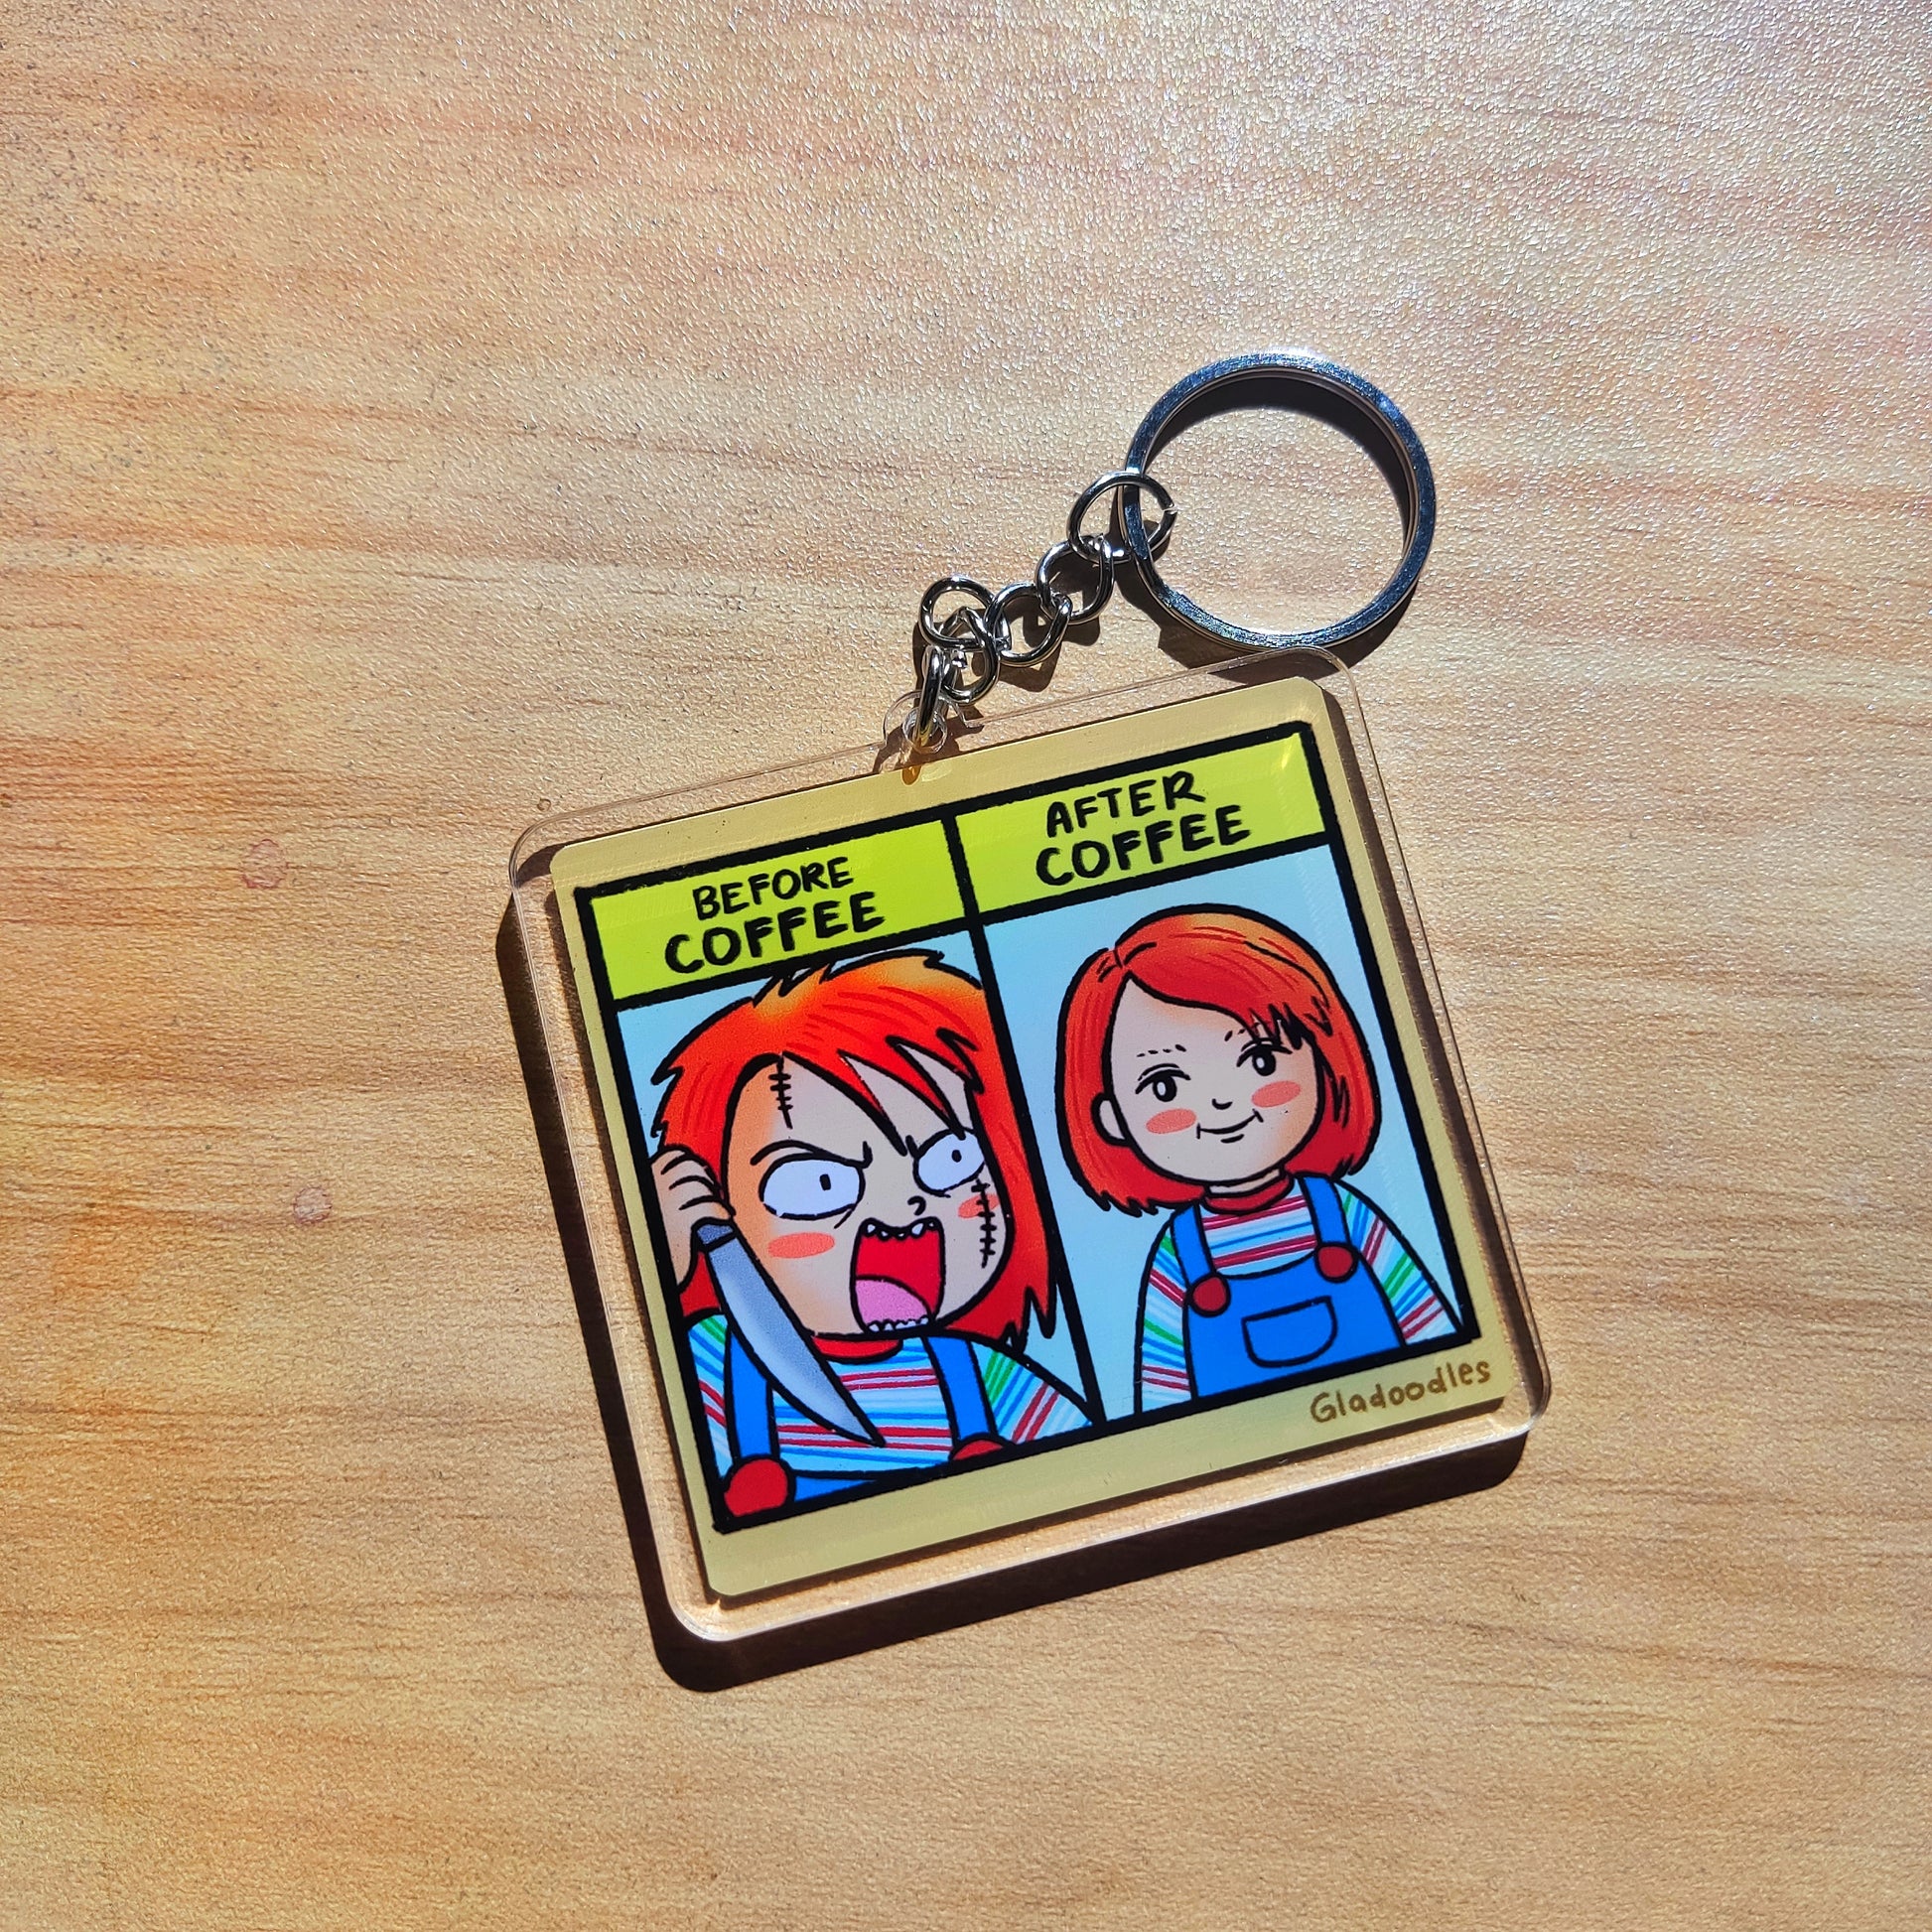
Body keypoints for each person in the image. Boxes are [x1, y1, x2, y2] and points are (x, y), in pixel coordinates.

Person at [650, 950, 1086, 1519]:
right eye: (818, 1183)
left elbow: (1098, 1472)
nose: (902, 1206)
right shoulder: (712, 1365)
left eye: (950, 1157)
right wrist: (656, 1266)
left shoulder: (988, 1382)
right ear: (715, 1201)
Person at [1055, 906, 1457, 1411]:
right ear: (1113, 1118)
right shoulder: (1178, 1256)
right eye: (1165, 1086)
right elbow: (1166, 1386)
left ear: (1321, 1055)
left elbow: (1422, 1317)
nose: (1222, 1102)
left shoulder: (1345, 1215)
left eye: (1261, 1060)